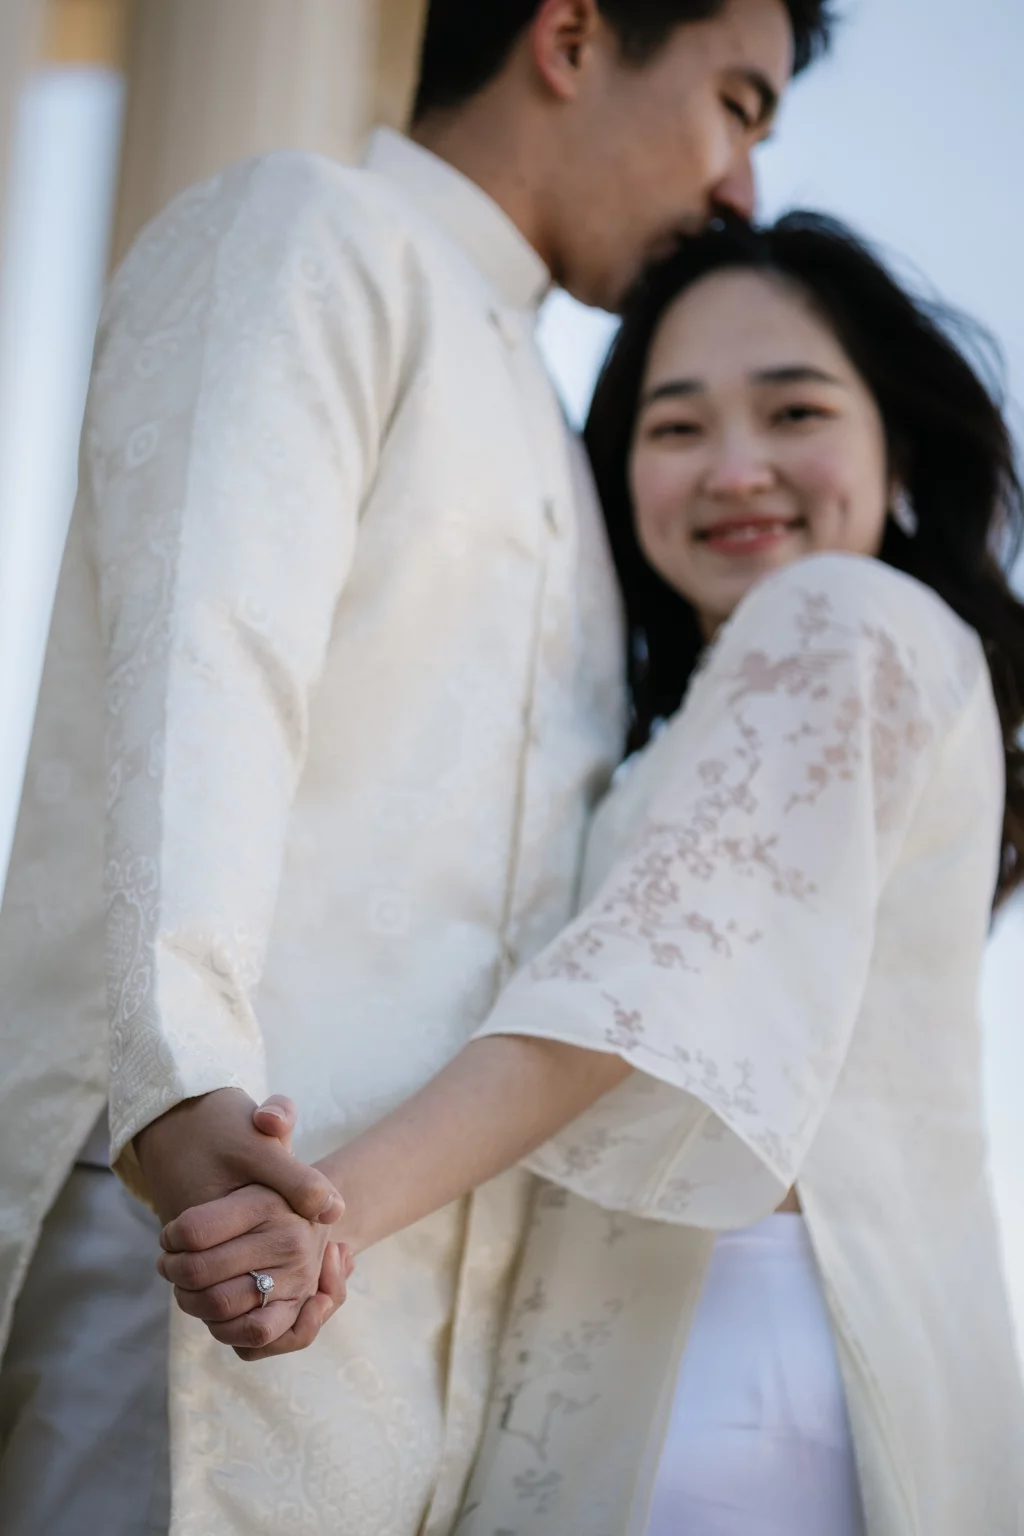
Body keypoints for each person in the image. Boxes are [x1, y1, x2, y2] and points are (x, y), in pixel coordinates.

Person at [0, 2, 833, 1533]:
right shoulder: (313, 229)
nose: (742, 188)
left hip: (399, 1343)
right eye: (735, 103)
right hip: (190, 1238)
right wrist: (186, 1083)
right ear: (571, 37)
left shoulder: (571, 455)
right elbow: (212, 647)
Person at [164, 213, 1024, 1534]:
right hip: (724, 1350)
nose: (735, 468)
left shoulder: (840, 616)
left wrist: (328, 1221)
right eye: (676, 428)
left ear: (898, 448)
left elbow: (627, 994)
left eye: (794, 410)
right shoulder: (744, 697)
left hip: (742, 1361)